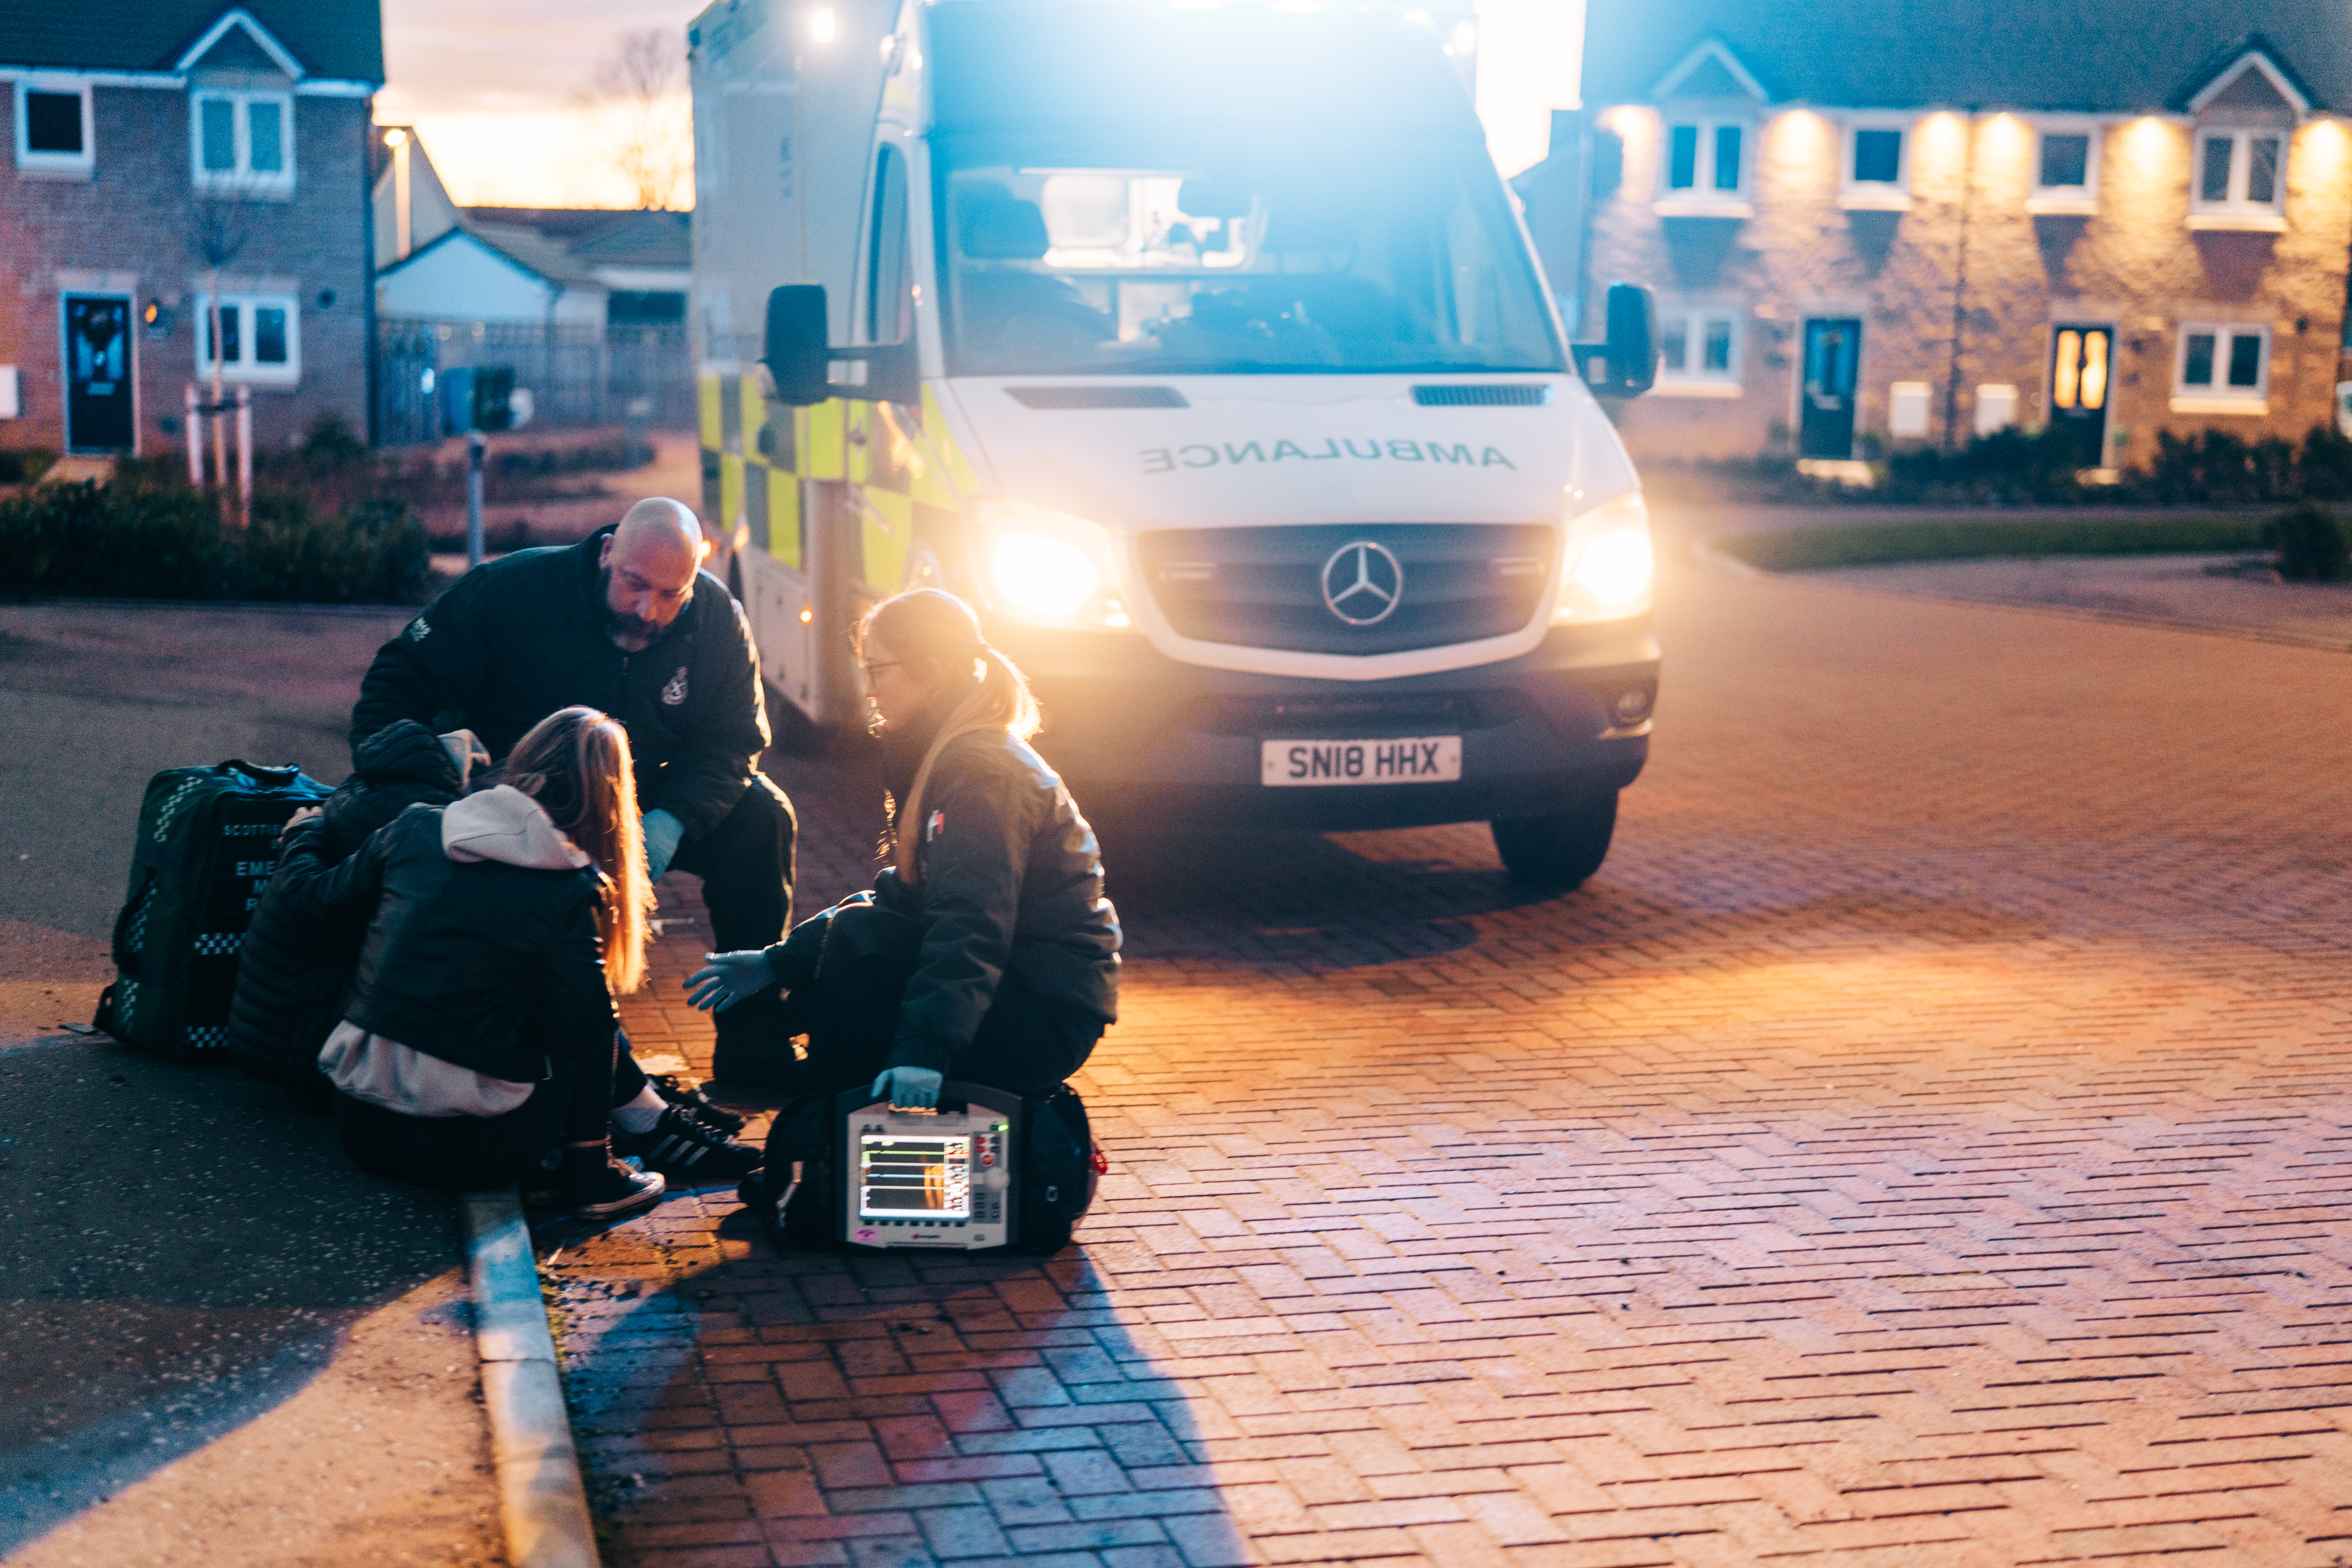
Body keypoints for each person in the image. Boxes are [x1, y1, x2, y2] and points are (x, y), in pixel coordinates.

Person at [349, 497, 797, 1075]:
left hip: (643, 804)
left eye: (670, 594)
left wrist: (672, 821)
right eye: (634, 584)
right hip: (520, 802)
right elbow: (392, 689)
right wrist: (439, 778)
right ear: (608, 551)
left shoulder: (715, 615)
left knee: (764, 818)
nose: (647, 609)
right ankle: (536, 1056)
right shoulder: (510, 591)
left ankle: (753, 1047)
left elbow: (736, 738)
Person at [274, 707, 762, 1219]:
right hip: (482, 1150)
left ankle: (634, 1130)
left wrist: (303, 833)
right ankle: (596, 1175)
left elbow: (312, 899)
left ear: (520, 762)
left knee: (552, 996)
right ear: (609, 801)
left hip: (361, 1124)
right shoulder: (568, 887)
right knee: (589, 1018)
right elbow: (585, 1033)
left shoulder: (416, 827)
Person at [685, 589, 1120, 1111]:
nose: (867, 689)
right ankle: (825, 1116)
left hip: (1044, 1016)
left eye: (878, 670)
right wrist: (779, 962)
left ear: (931, 672)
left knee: (860, 941)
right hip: (1016, 989)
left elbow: (970, 923)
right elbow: (903, 901)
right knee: (859, 930)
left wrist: (926, 1049)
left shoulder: (981, 774)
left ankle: (825, 1129)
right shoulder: (948, 753)